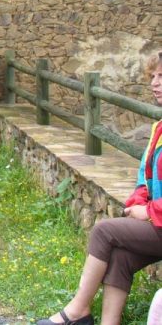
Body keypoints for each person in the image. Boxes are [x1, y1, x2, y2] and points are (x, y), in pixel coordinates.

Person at [38, 51, 162, 325]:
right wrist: (136, 203)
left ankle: (77, 310)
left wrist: (150, 212)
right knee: (121, 255)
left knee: (104, 231)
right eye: (152, 76)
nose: (155, 82)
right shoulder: (159, 128)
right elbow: (145, 177)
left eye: (161, 76)